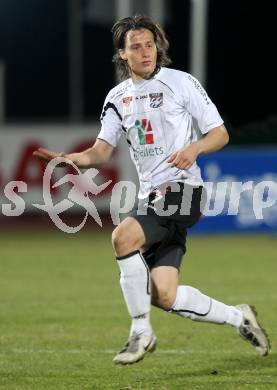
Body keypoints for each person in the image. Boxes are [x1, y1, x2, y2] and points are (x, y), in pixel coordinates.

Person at [33, 15, 270, 365]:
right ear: (123, 54)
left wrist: (195, 149)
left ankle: (141, 332)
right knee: (163, 294)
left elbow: (220, 133)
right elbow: (101, 150)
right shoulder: (117, 98)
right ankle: (239, 317)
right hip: (151, 197)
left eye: (150, 45)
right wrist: (74, 159)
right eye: (136, 47)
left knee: (122, 238)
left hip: (184, 191)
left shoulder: (181, 83)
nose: (146, 52)